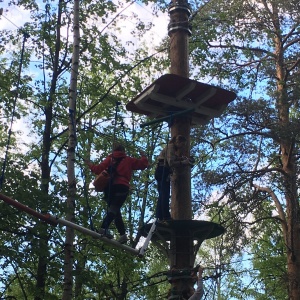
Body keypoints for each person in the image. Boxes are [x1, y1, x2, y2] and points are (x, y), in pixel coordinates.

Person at [85, 143, 148, 243]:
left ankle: (122, 234)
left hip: (109, 188)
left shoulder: (110, 159)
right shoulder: (128, 160)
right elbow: (143, 165)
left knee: (115, 210)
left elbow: (97, 170)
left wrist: (89, 164)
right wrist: (143, 156)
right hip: (122, 187)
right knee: (114, 209)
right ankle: (103, 228)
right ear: (123, 151)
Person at [155, 135, 193, 221]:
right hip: (163, 171)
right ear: (178, 142)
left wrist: (180, 159)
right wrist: (183, 162)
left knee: (162, 194)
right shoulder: (171, 147)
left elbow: (171, 158)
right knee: (164, 194)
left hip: (161, 171)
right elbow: (171, 162)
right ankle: (165, 216)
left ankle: (160, 216)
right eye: (182, 144)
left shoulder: (171, 148)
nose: (182, 147)